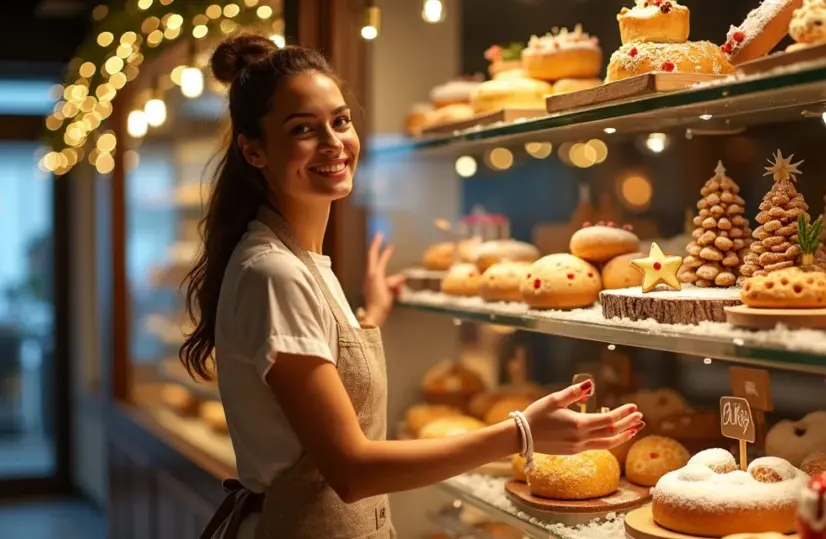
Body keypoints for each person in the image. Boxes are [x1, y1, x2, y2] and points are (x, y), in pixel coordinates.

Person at [181, 34, 645, 539]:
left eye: (340, 121)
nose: (334, 143)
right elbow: (351, 469)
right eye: (303, 129)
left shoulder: (297, 261)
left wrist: (370, 317)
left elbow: (314, 377)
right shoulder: (275, 272)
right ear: (253, 151)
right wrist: (522, 433)